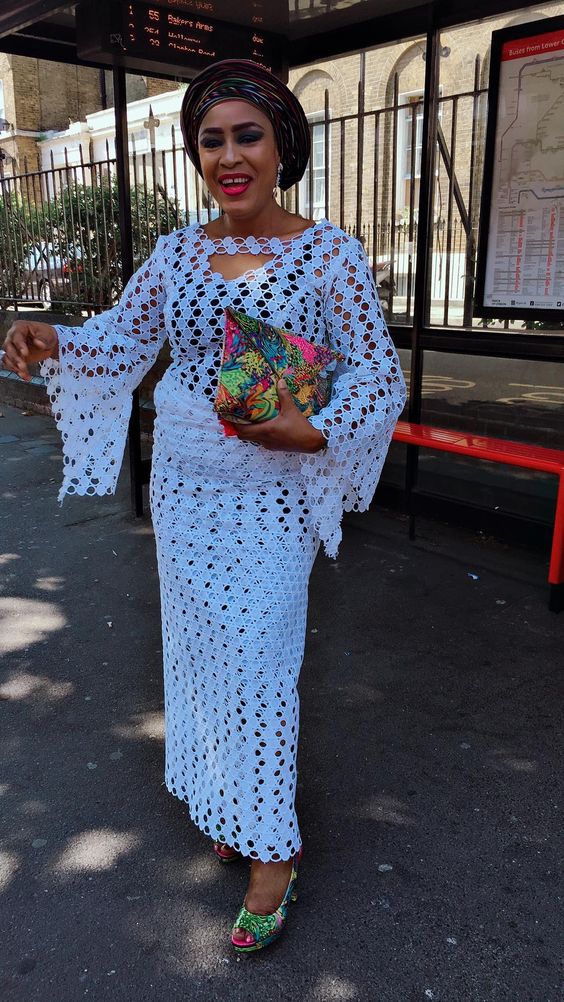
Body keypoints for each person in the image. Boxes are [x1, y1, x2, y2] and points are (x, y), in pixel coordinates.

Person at [1, 58, 406, 953]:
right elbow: (123, 336)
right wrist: (52, 336)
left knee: (259, 663)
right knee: (199, 658)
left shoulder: (328, 254)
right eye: (211, 140)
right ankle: (233, 803)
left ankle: (275, 852)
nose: (229, 156)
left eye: (247, 136)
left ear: (282, 145)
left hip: (270, 503)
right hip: (184, 497)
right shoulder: (177, 251)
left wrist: (316, 432)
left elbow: (378, 374)